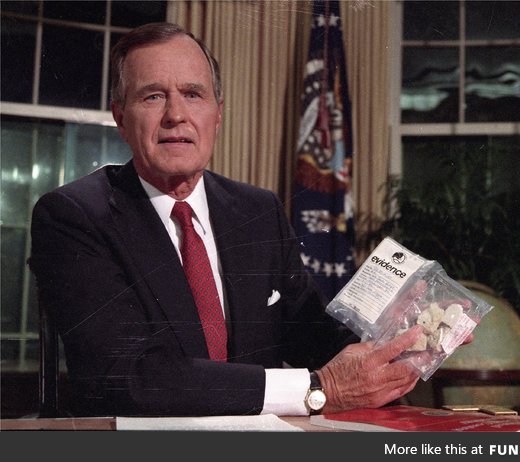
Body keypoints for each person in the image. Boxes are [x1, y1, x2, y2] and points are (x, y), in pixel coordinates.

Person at [28, 22, 426, 417]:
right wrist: (318, 390)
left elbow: (313, 336)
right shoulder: (75, 216)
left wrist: (404, 337)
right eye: (152, 96)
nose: (176, 115)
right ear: (120, 117)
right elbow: (126, 377)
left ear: (217, 115)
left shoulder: (257, 211)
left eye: (193, 94)